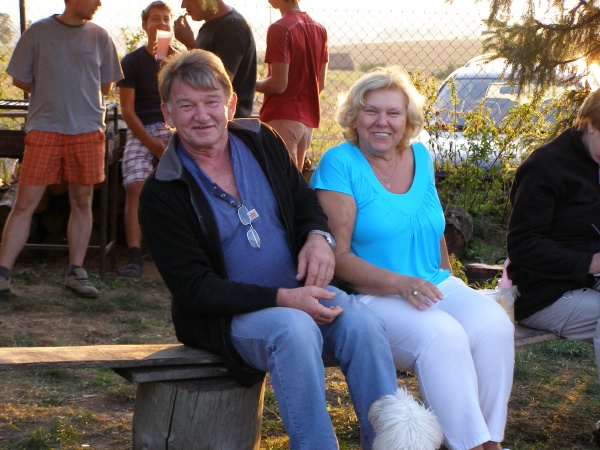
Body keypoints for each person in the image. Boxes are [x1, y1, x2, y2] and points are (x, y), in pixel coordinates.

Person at [138, 50, 443, 450]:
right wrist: (284, 299)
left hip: (303, 293)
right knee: (293, 329)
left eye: (212, 102)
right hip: (231, 318)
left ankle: (393, 444)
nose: (202, 115)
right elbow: (194, 288)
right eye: (186, 105)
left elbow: (304, 203)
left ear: (230, 103)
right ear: (167, 112)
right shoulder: (163, 192)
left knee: (363, 324)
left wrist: (318, 238)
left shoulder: (261, 141)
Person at [310, 66, 515, 450]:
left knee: (493, 325)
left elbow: (432, 229)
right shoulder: (340, 163)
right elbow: (338, 258)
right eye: (371, 111)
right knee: (443, 336)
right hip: (371, 296)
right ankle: (469, 444)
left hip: (430, 283)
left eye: (393, 113)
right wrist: (400, 283)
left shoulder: (420, 155)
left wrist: (451, 282)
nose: (382, 122)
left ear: (407, 120)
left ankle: (491, 442)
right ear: (354, 116)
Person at [0, 0, 123, 298]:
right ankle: (2, 273)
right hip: (45, 128)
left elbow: (106, 85)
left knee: (82, 201)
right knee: (25, 203)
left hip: (87, 129)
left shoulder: (100, 36)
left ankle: (75, 271)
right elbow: (19, 78)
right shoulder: (38, 32)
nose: (99, 3)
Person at [507, 90, 600, 382]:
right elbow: (523, 245)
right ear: (591, 124)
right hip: (545, 292)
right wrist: (591, 263)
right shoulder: (545, 166)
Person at [116, 1, 174, 279]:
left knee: (186, 182)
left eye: (166, 19)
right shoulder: (132, 61)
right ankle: (134, 257)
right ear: (145, 25)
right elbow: (127, 111)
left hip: (173, 126)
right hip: (142, 128)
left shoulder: (178, 61)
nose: (162, 24)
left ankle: (180, 253)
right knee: (136, 185)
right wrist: (152, 144)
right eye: (155, 19)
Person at [255, 0, 328, 170]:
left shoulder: (280, 28)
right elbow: (321, 84)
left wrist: (249, 84)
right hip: (307, 123)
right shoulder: (320, 29)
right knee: (294, 181)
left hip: (282, 116)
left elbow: (278, 85)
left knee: (279, 181)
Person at [173, 0, 256, 118]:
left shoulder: (232, 27)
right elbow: (201, 68)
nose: (183, 5)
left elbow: (220, 82)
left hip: (228, 121)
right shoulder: (210, 25)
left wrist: (190, 44)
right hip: (210, 118)